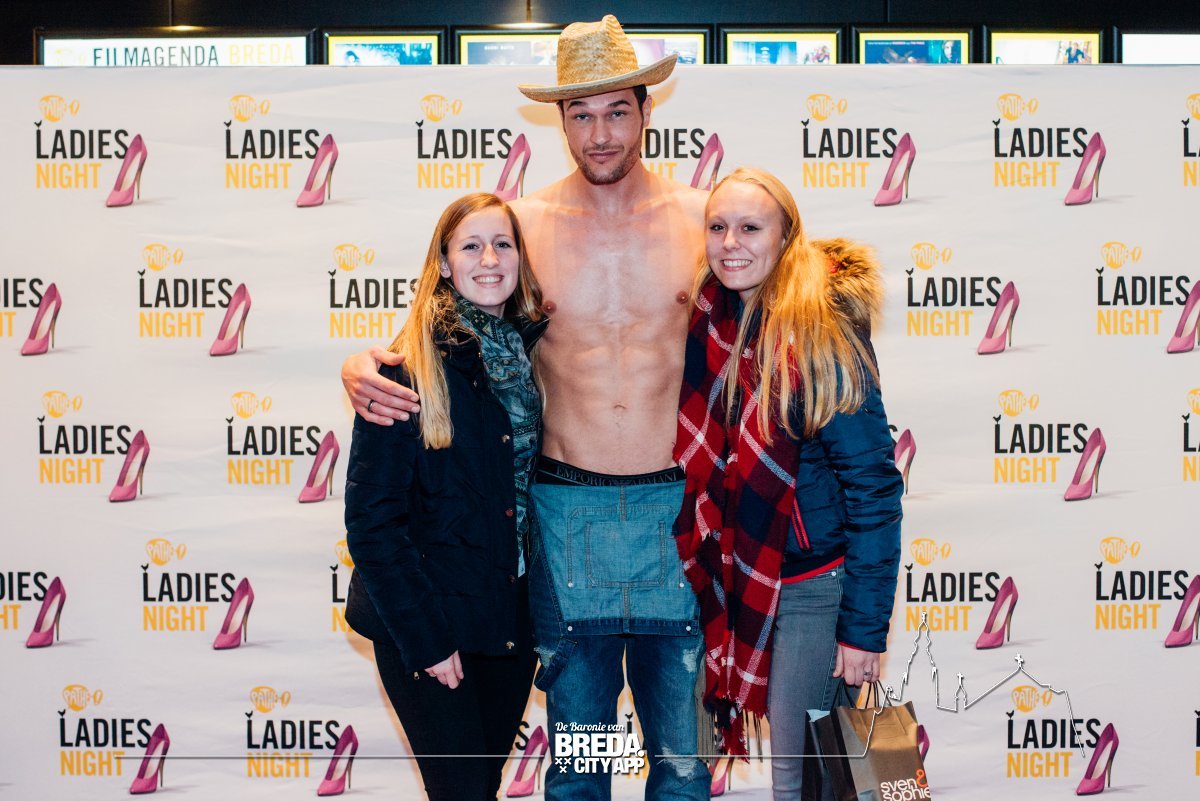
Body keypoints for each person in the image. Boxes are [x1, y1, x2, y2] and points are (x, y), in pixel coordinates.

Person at [341, 16, 711, 801]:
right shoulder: (524, 228)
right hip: (564, 517)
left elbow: (783, 317)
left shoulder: (702, 221)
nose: (600, 133)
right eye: (582, 113)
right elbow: (446, 321)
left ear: (648, 110)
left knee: (683, 760)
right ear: (560, 120)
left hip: (675, 517)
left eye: (617, 111)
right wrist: (364, 363)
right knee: (579, 760)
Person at [673, 168, 904, 800]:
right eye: (717, 227)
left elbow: (874, 486)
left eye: (750, 227)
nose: (730, 243)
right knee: (829, 777)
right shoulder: (710, 324)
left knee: (801, 779)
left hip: (813, 587)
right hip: (743, 582)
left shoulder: (822, 330)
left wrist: (862, 631)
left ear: (786, 237)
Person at [343, 192, 546, 801]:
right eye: (471, 245)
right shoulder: (404, 370)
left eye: (503, 244)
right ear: (444, 262)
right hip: (429, 624)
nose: (489, 259)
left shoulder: (532, 360)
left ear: (520, 259)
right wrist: (427, 639)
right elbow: (373, 523)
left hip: (507, 622)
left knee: (480, 788)